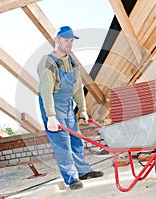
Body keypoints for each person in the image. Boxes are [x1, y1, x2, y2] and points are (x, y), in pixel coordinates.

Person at [37, 26, 104, 190]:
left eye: (72, 40)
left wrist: (82, 109)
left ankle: (82, 171)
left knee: (76, 138)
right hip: (52, 103)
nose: (69, 43)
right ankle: (71, 178)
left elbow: (77, 88)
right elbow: (46, 91)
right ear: (57, 40)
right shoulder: (48, 62)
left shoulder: (72, 62)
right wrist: (51, 116)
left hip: (67, 104)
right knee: (62, 143)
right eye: (66, 40)